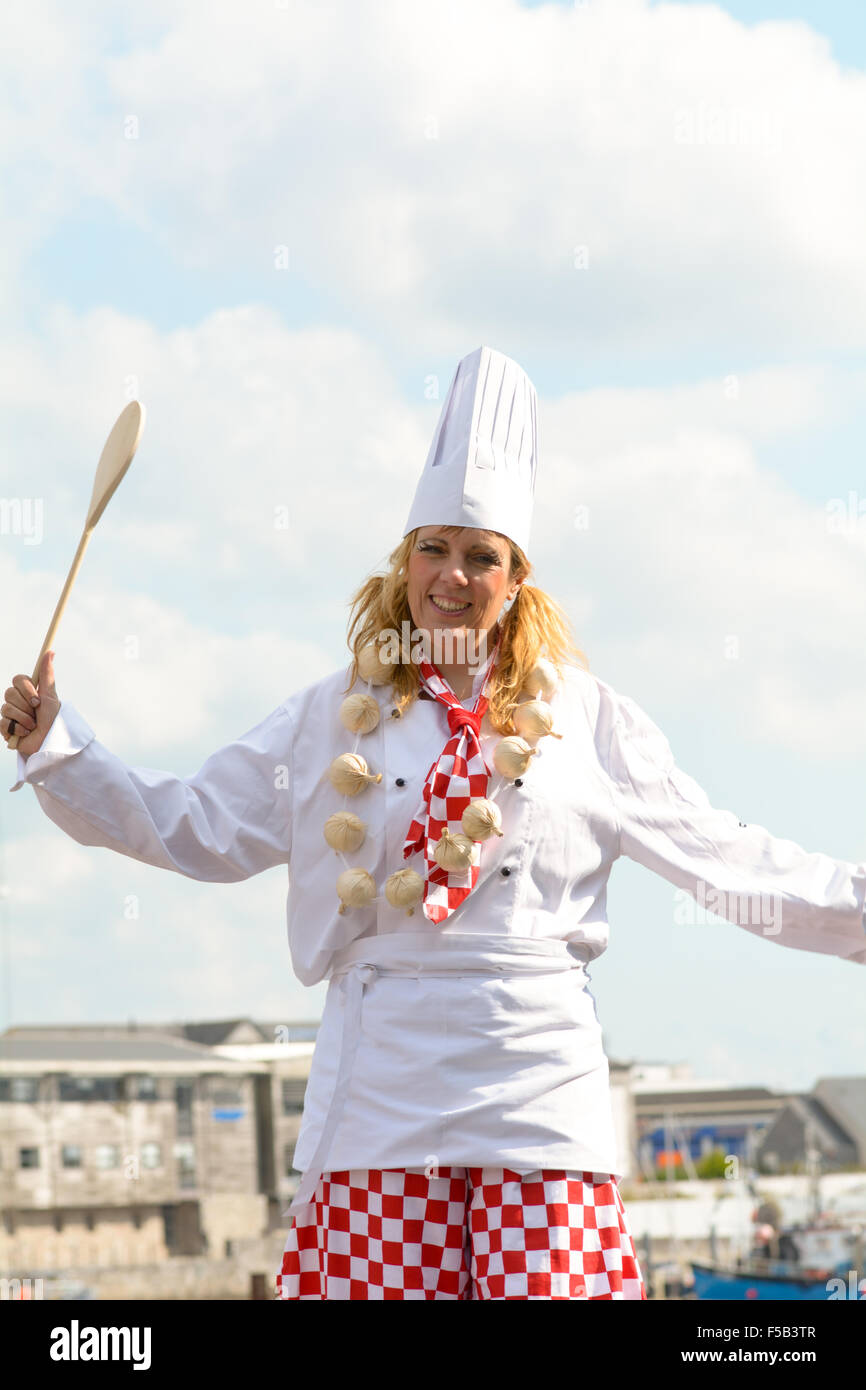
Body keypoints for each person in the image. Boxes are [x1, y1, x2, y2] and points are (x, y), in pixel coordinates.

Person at [5, 346, 866, 1302]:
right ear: (403, 559)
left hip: (540, 1098)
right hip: (382, 1093)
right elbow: (195, 826)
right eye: (434, 547)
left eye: (481, 556)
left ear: (518, 580)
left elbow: (727, 861)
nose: (452, 577)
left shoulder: (588, 719)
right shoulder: (329, 713)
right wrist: (60, 746)